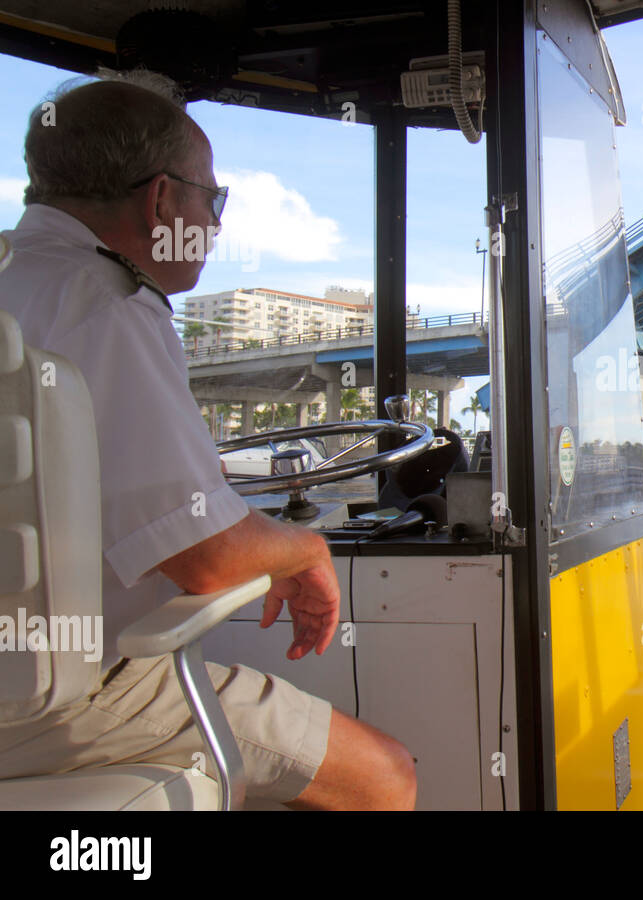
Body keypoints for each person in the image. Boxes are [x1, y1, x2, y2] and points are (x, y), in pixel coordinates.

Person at [0, 72, 416, 809]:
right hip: (52, 708)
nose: (216, 224)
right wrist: (305, 549)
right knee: (382, 776)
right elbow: (209, 555)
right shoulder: (107, 305)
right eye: (212, 199)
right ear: (162, 201)